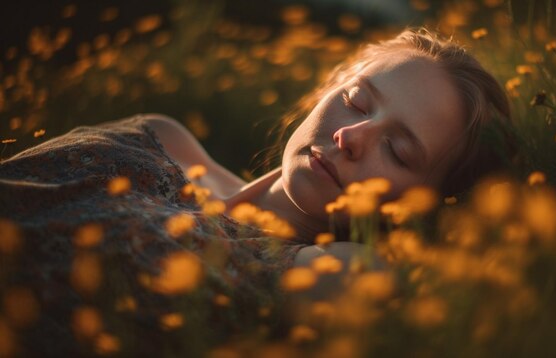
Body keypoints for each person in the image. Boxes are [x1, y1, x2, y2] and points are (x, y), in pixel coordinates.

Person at [0, 27, 511, 354]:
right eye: (356, 101)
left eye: (398, 151)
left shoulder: (331, 272)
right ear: (325, 90)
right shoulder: (165, 137)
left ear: (417, 204)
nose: (351, 137)